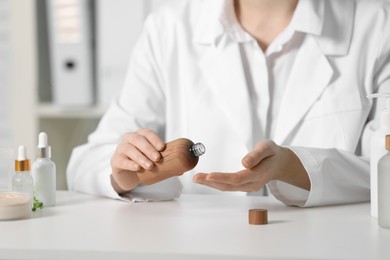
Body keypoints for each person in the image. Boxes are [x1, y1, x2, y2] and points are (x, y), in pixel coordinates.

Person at [67, 0, 390, 206]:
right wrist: (126, 175)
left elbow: (385, 166)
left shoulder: (378, 25)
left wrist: (299, 168)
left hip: (334, 245)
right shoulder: (169, 27)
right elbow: (86, 162)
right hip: (200, 246)